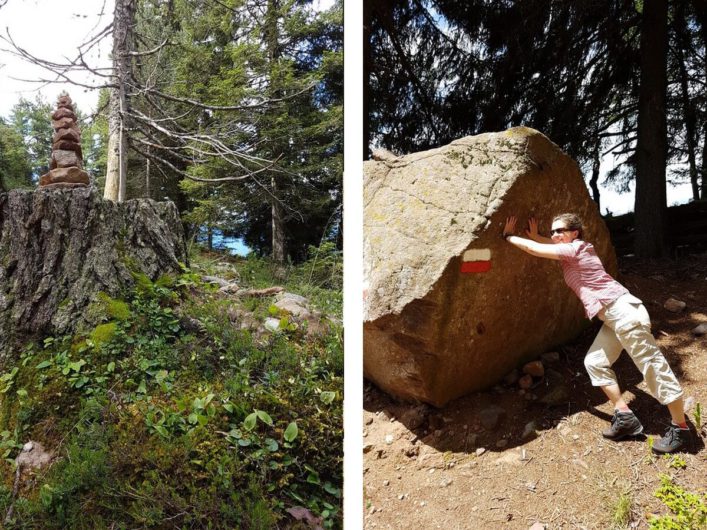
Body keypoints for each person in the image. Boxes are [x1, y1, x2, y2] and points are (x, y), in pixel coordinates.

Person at [502, 213, 690, 453]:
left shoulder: (578, 248)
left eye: (560, 230)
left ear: (575, 233)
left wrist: (509, 237)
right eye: (552, 232)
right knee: (595, 362)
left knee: (652, 366)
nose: (555, 235)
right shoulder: (571, 251)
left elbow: (536, 250)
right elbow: (545, 245)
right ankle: (625, 417)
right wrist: (539, 236)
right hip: (613, 317)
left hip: (624, 312)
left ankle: (681, 428)